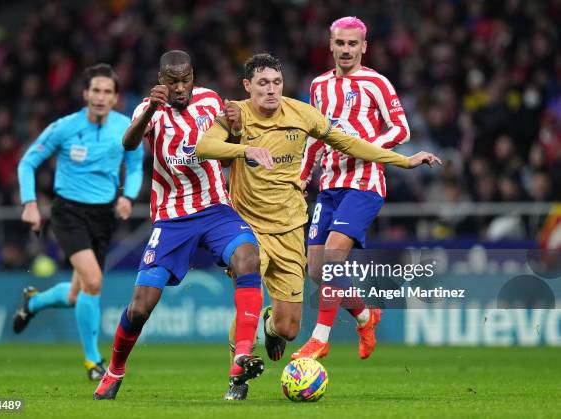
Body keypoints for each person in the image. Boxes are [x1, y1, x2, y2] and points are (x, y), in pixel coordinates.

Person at [195, 53, 441, 364]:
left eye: (276, 82)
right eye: (262, 83)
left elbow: (348, 143)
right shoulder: (235, 115)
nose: (271, 89)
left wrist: (404, 160)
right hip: (247, 225)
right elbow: (203, 147)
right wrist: (246, 149)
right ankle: (239, 368)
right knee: (249, 293)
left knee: (288, 326)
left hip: (289, 225)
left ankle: (274, 327)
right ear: (247, 85)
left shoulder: (302, 114)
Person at [93, 50, 267, 402]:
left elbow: (227, 144)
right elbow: (128, 143)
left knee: (248, 257)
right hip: (172, 217)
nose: (180, 88)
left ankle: (240, 359)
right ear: (161, 80)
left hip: (216, 208)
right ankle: (114, 370)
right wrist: (153, 111)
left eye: (185, 79)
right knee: (141, 305)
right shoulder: (148, 109)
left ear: (193, 76)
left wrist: (235, 128)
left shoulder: (209, 100)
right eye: (172, 82)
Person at [13, 64, 145, 380]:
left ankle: (33, 302)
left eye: (107, 92)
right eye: (95, 91)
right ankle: (93, 361)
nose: (100, 97)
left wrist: (128, 196)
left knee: (77, 294)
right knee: (94, 282)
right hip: (68, 212)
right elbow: (27, 162)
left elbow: (136, 166)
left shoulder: (126, 128)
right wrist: (30, 204)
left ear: (116, 98)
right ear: (85, 94)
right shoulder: (64, 127)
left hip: (103, 216)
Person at [292, 16, 413, 360]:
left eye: (352, 44)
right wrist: (302, 177)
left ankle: (320, 338)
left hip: (364, 185)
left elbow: (401, 129)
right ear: (330, 45)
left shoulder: (377, 83)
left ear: (364, 47)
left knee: (331, 258)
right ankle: (365, 315)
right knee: (315, 269)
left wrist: (366, 145)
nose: (346, 50)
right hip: (329, 187)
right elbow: (316, 137)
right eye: (340, 43)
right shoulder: (318, 86)